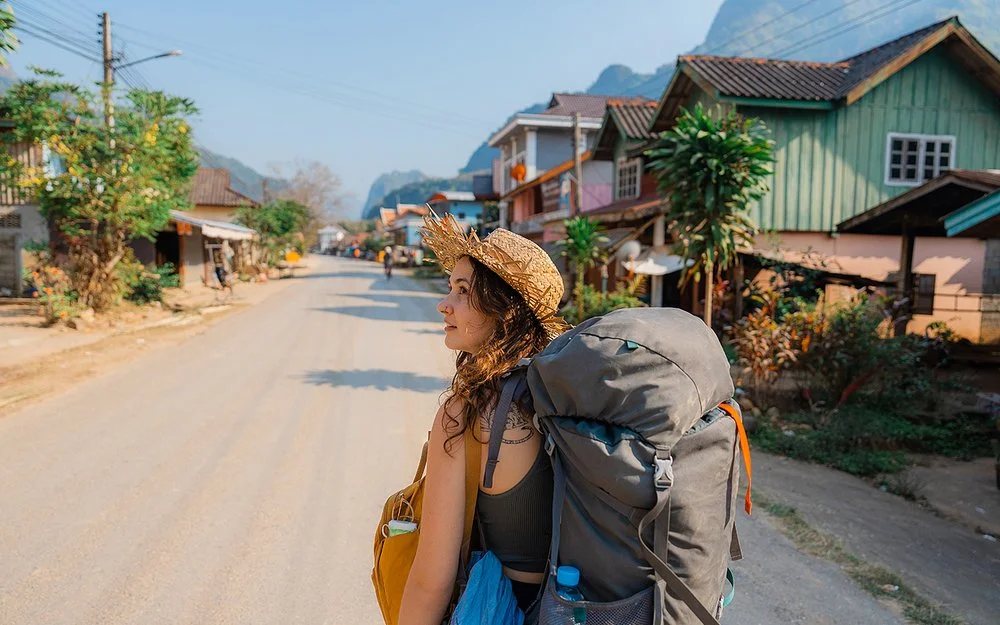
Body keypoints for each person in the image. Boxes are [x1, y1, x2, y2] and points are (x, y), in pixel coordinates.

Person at [399, 215, 570, 625]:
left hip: (506, 609)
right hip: (584, 608)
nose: (445, 304)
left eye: (462, 291)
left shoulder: (466, 414)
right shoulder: (568, 392)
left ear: (506, 311)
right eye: (449, 288)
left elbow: (432, 580)